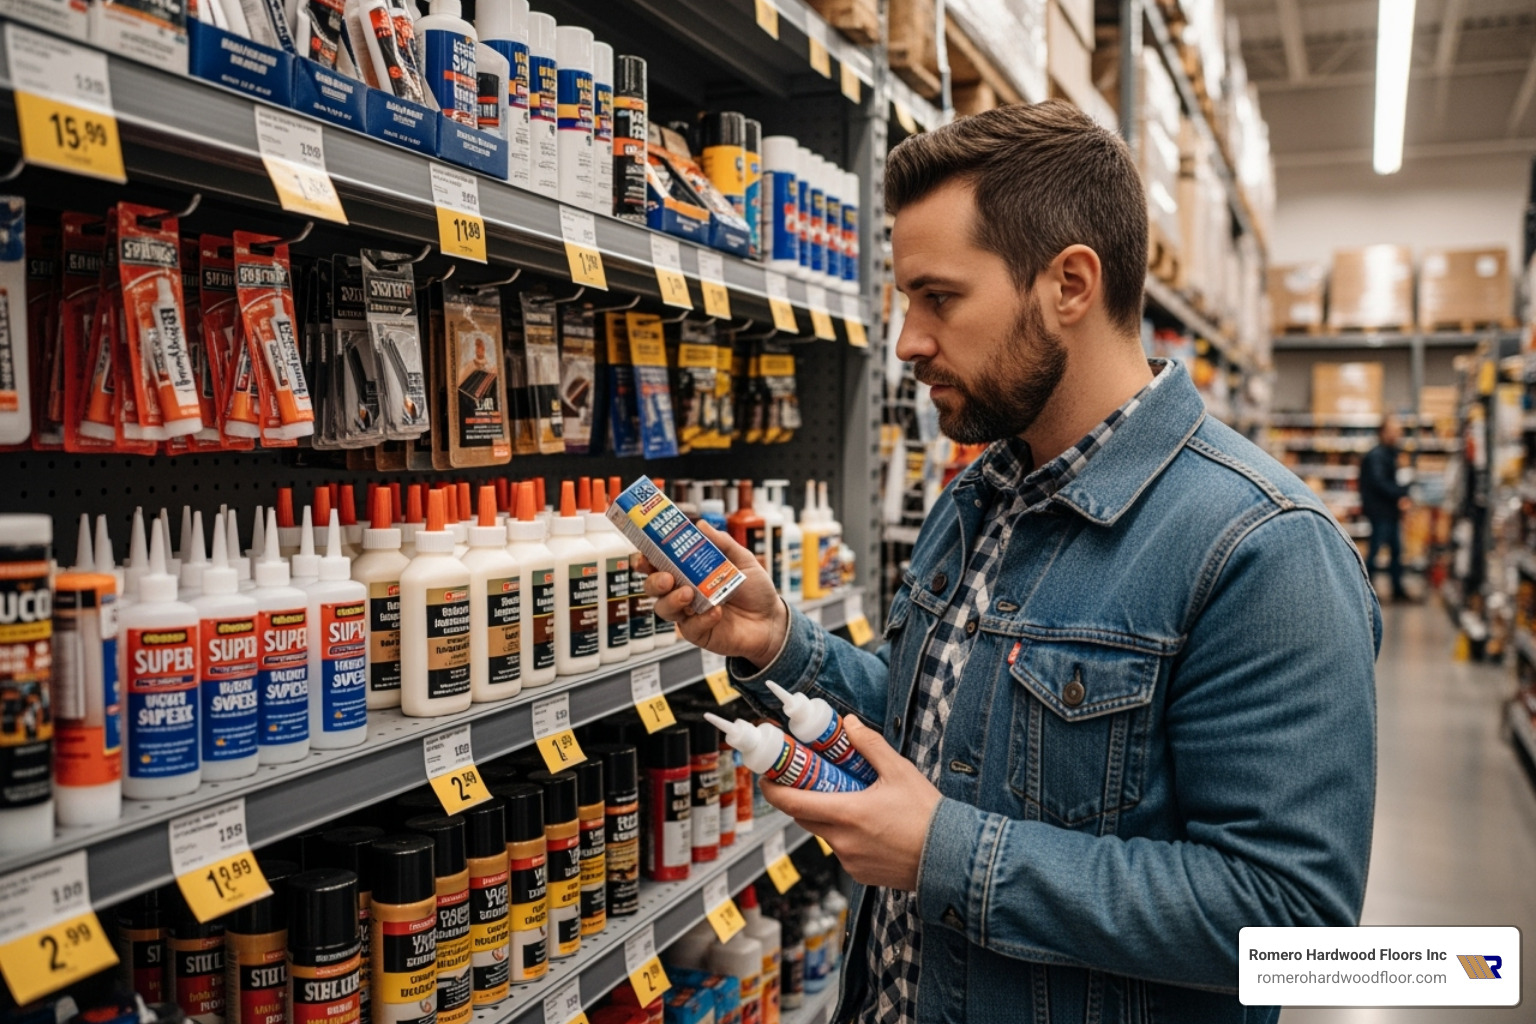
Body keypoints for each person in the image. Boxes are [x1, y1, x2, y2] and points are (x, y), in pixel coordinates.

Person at [641, 102, 1379, 1024]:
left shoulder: (1264, 548)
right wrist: (780, 643)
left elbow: (1296, 930)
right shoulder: (983, 492)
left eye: (939, 298)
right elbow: (941, 729)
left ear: (1070, 284)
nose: (908, 341)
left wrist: (946, 855)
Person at [1359, 415, 1413, 602]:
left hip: (1390, 511)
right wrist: (1400, 494)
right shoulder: (1376, 456)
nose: (1397, 435)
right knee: (1376, 550)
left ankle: (1397, 589)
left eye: (1399, 431)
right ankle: (1366, 593)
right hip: (1380, 511)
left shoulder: (1392, 454)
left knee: (1396, 551)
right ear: (1383, 432)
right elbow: (1379, 482)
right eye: (1393, 431)